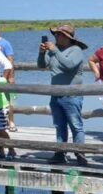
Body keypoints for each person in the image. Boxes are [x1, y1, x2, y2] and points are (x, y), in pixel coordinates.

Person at [38, 24, 89, 166]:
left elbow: (69, 65)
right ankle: (60, 153)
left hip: (72, 95)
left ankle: (80, 153)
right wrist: (42, 53)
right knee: (59, 126)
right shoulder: (54, 51)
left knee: (75, 125)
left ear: (67, 37)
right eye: (55, 35)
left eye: (59, 35)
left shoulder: (76, 50)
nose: (56, 37)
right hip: (56, 94)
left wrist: (55, 51)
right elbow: (41, 66)